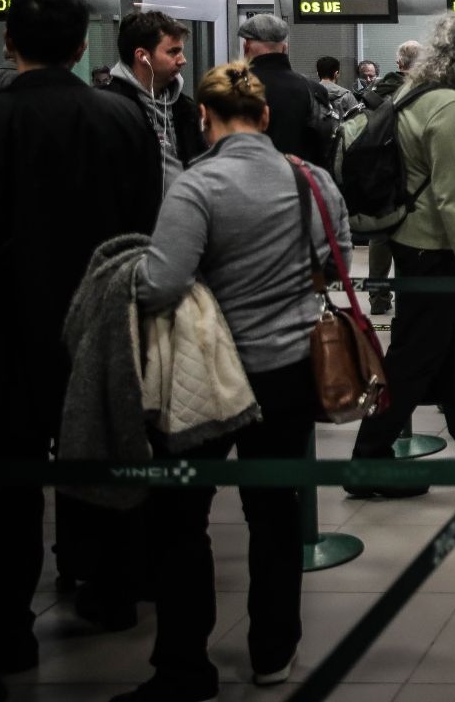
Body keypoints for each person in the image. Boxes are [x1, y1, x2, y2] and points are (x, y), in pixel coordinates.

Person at [114, 62, 351, 701]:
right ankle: (274, 651)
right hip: (291, 371)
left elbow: (162, 283)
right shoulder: (311, 178)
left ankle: (185, 665)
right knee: (275, 514)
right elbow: (337, 259)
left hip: (208, 372)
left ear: (205, 119)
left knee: (182, 518)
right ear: (266, 116)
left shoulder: (196, 186)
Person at [0, 0, 160, 677]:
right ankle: (111, 590)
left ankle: (6, 628)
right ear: (84, 43)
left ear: (9, 44)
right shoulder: (120, 118)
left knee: (8, 476)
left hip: (3, 327)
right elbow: (147, 225)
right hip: (102, 318)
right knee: (103, 448)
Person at [347, 12, 455, 495]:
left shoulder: (410, 94)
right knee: (413, 358)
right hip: (436, 252)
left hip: (413, 244)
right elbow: (454, 197)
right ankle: (367, 461)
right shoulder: (452, 107)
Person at [104, 10, 204, 199]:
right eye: (173, 52)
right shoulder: (108, 108)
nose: (183, 60)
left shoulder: (186, 109)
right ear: (142, 56)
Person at [361, 40, 421, 319]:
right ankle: (409, 295)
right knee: (413, 236)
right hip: (415, 173)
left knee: (380, 237)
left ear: (398, 64)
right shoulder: (427, 91)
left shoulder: (375, 91)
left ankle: (378, 296)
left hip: (379, 172)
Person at [237, 13, 334, 167]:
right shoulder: (313, 89)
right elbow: (323, 145)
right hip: (301, 182)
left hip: (244, 181)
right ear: (284, 47)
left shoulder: (232, 86)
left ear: (246, 46)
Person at [315, 55, 362, 121]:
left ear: (318, 74)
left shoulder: (310, 93)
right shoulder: (346, 94)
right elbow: (358, 120)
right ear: (336, 74)